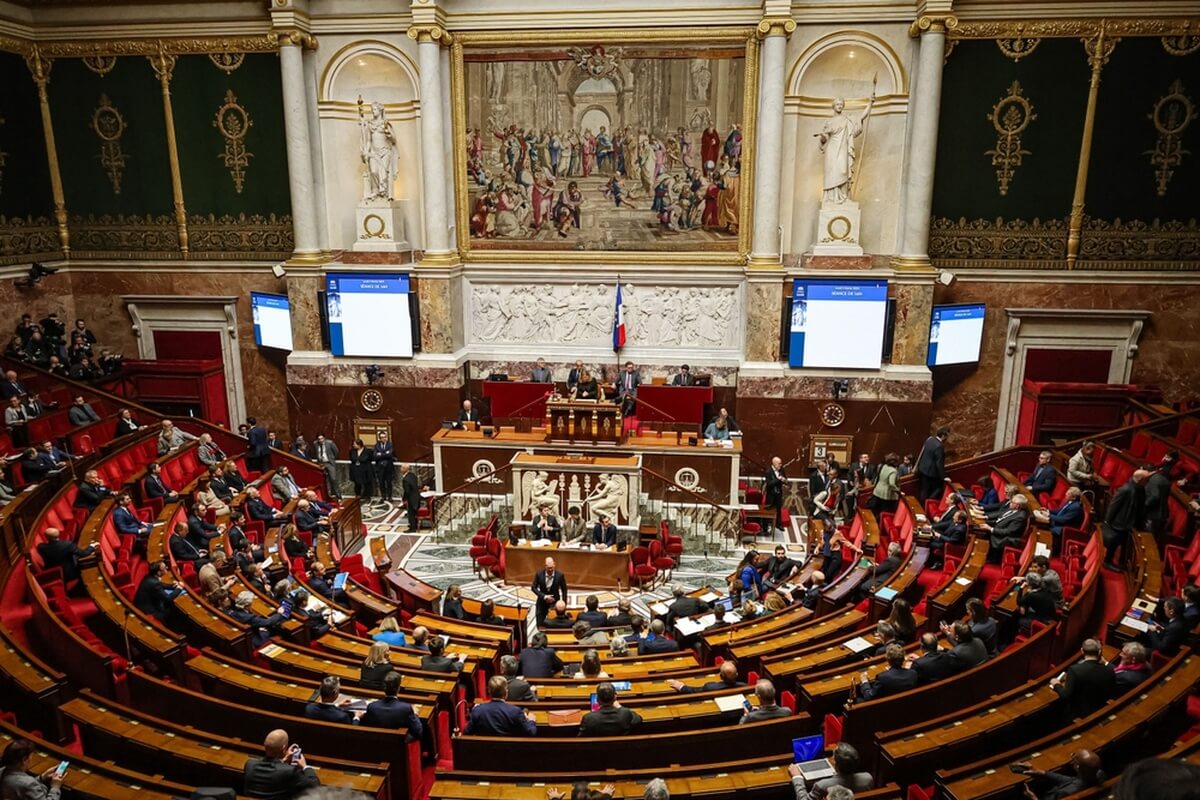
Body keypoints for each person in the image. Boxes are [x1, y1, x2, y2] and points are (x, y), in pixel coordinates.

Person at [242, 728, 320, 799]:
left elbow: (271, 769)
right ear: (283, 749)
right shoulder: (290, 771)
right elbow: (315, 786)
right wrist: (305, 766)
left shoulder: (249, 764)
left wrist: (283, 761)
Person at [1051, 638, 1114, 719]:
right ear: (1099, 652)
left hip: (1078, 714)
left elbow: (1065, 695)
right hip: (1100, 710)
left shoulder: (1075, 670)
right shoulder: (1109, 670)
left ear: (1082, 651)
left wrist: (1056, 684)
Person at [1014, 749, 1105, 800]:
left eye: (1074, 759)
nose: (1072, 760)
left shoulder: (1065, 793)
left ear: (1077, 767)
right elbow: (1073, 781)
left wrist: (1032, 797)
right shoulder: (1099, 773)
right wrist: (1043, 772)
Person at [1104, 469, 1148, 570]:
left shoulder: (1140, 488)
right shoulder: (1126, 489)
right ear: (1140, 479)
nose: (1148, 482)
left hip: (1129, 522)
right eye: (1146, 479)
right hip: (1120, 522)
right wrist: (1108, 521)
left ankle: (1122, 563)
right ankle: (1107, 561)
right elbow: (1113, 505)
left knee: (1124, 543)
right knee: (1114, 543)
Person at [466, 676, 537, 736]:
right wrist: (531, 721)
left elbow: (467, 733)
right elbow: (531, 732)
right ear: (506, 693)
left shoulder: (478, 710)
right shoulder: (515, 712)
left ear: (489, 692)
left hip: (485, 751)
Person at [361, 671, 423, 739]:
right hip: (399, 746)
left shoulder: (372, 706)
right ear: (398, 688)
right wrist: (415, 714)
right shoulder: (405, 708)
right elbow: (418, 731)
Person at [0, 738, 66, 799]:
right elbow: (26, 785)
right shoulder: (29, 784)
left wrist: (42, 777)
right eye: (31, 756)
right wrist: (55, 787)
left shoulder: (2, 771)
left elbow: (22, 784)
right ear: (24, 760)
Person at [916, 427, 949, 504]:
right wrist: (943, 477)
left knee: (924, 490)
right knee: (938, 488)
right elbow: (939, 463)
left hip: (922, 469)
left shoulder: (930, 439)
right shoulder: (939, 446)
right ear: (943, 436)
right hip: (931, 473)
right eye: (947, 436)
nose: (947, 439)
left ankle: (922, 506)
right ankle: (927, 504)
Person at [532, 557, 568, 625]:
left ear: (554, 565)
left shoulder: (560, 575)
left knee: (554, 623)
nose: (550, 570)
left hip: (554, 603)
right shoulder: (539, 574)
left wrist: (564, 603)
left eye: (551, 568)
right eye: (548, 568)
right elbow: (533, 588)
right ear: (545, 566)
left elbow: (564, 589)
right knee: (539, 623)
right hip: (542, 602)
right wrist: (544, 596)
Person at [310, 434, 340, 499]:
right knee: (323, 480)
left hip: (329, 463)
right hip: (321, 464)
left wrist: (332, 459)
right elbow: (315, 453)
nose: (320, 440)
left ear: (324, 438)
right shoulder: (315, 444)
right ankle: (326, 496)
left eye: (322, 438)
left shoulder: (330, 443)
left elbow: (336, 451)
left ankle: (338, 495)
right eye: (319, 439)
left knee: (333, 479)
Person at [764, 456, 787, 533]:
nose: (781, 465)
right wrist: (778, 479)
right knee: (768, 510)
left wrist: (784, 480)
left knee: (778, 509)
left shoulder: (782, 470)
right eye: (779, 463)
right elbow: (769, 483)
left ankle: (778, 524)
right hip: (771, 494)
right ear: (774, 464)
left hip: (778, 493)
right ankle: (766, 526)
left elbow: (785, 479)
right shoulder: (768, 471)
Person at [372, 431, 395, 502]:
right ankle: (383, 496)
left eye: (384, 437)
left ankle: (390, 496)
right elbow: (375, 456)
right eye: (382, 437)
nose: (383, 439)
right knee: (381, 483)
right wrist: (385, 453)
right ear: (379, 438)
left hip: (388, 467)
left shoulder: (390, 445)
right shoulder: (376, 445)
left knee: (389, 483)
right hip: (380, 468)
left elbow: (390, 454)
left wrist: (381, 454)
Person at [400, 463, 422, 531]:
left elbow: (407, 491)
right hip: (416, 497)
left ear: (405, 469)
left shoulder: (405, 479)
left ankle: (413, 528)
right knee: (413, 513)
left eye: (402, 468)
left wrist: (404, 499)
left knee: (411, 513)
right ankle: (414, 524)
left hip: (411, 498)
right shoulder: (412, 475)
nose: (400, 469)